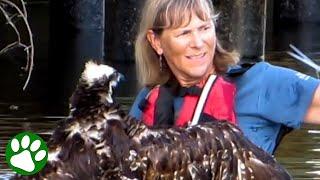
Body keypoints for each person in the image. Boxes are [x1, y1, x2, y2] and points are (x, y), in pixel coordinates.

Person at [129, 0, 320, 154]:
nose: (198, 43)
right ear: (156, 42)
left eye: (204, 28)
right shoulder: (147, 100)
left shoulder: (261, 82)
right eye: (184, 33)